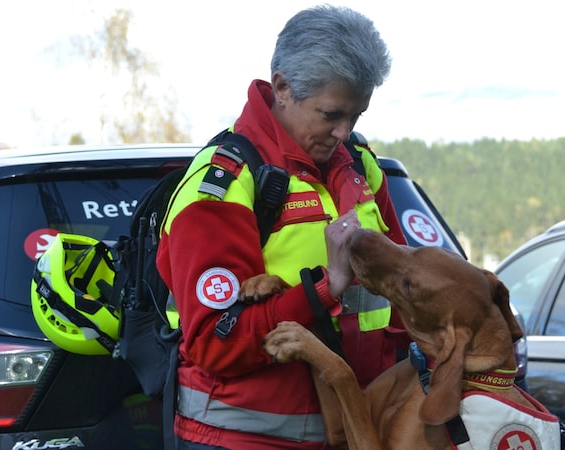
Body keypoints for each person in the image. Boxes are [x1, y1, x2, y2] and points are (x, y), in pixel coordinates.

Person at [156, 5, 408, 449]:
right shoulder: (222, 184)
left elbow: (407, 290)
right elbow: (217, 342)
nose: (343, 132)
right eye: (331, 114)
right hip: (242, 438)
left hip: (359, 429)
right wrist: (326, 287)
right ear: (282, 87)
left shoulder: (360, 166)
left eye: (356, 116)